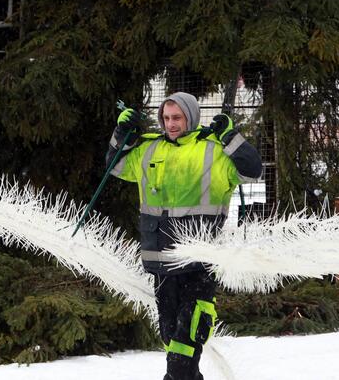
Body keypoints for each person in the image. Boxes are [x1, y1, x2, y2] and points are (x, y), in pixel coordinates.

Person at [106, 92, 262, 380]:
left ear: (190, 117)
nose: (170, 124)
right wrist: (123, 134)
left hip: (198, 264)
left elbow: (252, 170)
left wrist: (230, 137)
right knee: (172, 337)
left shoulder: (213, 151)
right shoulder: (149, 149)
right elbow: (114, 165)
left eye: (176, 117)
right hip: (161, 262)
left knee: (187, 338)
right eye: (166, 118)